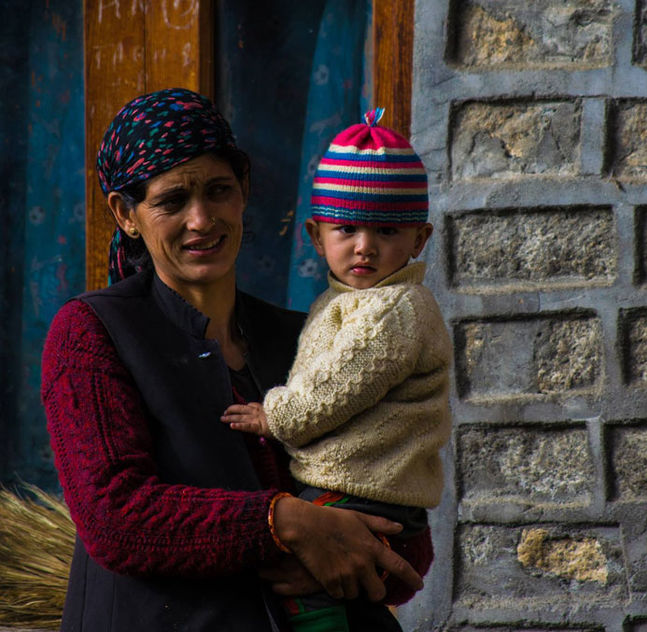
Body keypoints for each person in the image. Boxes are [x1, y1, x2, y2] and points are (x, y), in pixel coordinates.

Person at [41, 88, 422, 632]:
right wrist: (287, 522)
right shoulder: (92, 334)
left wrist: (352, 556)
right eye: (172, 201)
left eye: (218, 191)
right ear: (126, 214)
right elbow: (115, 517)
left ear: (243, 191)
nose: (201, 220)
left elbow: (403, 514)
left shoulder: (312, 335)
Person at [220, 109, 452, 632]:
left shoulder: (396, 309)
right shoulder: (344, 301)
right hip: (350, 481)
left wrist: (274, 416)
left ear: (419, 240)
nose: (364, 246)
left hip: (365, 488)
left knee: (301, 585)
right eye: (346, 228)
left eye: (387, 230)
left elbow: (337, 389)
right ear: (315, 234)